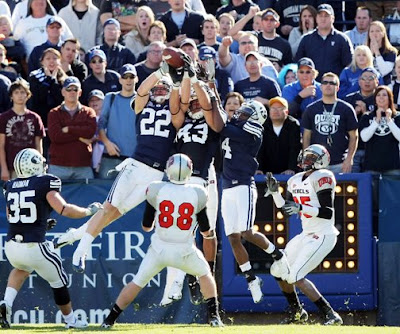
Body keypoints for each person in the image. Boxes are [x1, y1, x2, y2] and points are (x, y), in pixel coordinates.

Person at [52, 62, 178, 273]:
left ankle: (74, 235)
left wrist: (176, 80)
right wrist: (160, 72)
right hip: (136, 165)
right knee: (108, 209)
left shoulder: (174, 109)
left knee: (113, 215)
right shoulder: (140, 104)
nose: (160, 90)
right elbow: (142, 90)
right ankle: (80, 252)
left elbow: (177, 98)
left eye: (165, 87)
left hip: (155, 174)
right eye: (157, 87)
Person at [100, 153, 224, 328]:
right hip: (185, 250)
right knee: (205, 275)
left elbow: (146, 227)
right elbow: (205, 231)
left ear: (169, 170)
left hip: (159, 249)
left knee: (136, 283)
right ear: (189, 171)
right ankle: (214, 317)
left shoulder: (156, 189)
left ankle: (109, 320)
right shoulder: (198, 193)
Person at [0, 148, 102, 329]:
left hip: (11, 246)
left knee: (21, 269)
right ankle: (71, 321)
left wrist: (40, 223)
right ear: (34, 165)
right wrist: (88, 211)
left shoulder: (11, 186)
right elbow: (65, 209)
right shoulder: (45, 182)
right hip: (33, 247)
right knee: (59, 280)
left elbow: (12, 217)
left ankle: (6, 303)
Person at [160, 56, 226, 306]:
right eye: (194, 101)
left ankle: (206, 273)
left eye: (200, 100)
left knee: (208, 234)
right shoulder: (182, 119)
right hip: (181, 182)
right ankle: (180, 282)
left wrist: (201, 82)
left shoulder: (211, 117)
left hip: (204, 179)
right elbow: (177, 104)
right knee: (181, 233)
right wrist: (183, 78)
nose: (196, 103)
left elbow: (214, 115)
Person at [220, 99, 290, 304]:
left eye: (246, 112)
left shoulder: (254, 131)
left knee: (247, 232)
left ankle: (278, 255)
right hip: (227, 186)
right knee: (232, 237)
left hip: (243, 184)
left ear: (255, 118)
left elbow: (223, 128)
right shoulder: (236, 125)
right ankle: (251, 278)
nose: (240, 113)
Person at [265, 144, 343, 326]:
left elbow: (327, 212)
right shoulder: (295, 180)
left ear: (321, 161)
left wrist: (301, 207)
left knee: (294, 276)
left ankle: (330, 314)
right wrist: (276, 194)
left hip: (323, 235)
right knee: (277, 270)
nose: (307, 160)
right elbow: (286, 210)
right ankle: (297, 312)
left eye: (311, 158)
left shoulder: (324, 176)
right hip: (306, 234)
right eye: (306, 156)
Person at [302, 72, 359, 174]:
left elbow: (354, 136)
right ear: (320, 86)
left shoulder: (346, 109)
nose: (328, 85)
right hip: (317, 163)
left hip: (340, 163)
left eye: (332, 83)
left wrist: (349, 158)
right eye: (325, 82)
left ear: (337, 88)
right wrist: (308, 160)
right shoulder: (311, 109)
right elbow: (306, 136)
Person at [47, 76, 97, 180]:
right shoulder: (54, 113)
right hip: (58, 166)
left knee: (88, 195)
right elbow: (56, 137)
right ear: (63, 92)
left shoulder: (89, 112)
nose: (72, 92)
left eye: (75, 89)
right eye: (68, 89)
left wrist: (69, 129)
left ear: (80, 92)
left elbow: (90, 132)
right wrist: (80, 137)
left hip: (83, 166)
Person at [97, 64, 138, 179]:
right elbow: (101, 124)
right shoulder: (110, 97)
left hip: (133, 159)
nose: (128, 80)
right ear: (120, 79)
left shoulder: (142, 100)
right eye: (125, 77)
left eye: (131, 76)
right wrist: (107, 143)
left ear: (137, 78)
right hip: (110, 157)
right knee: (104, 195)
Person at [0, 79, 45, 181]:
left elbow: (39, 146)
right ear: (11, 96)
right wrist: (4, 168)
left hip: (31, 167)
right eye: (16, 92)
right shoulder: (4, 118)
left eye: (22, 92)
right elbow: (1, 145)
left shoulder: (35, 118)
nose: (20, 95)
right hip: (12, 167)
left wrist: (40, 166)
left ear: (27, 95)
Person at [295, 3, 353, 82]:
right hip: (312, 87)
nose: (323, 19)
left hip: (335, 86)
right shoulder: (306, 39)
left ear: (333, 18)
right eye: (320, 16)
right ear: (316, 18)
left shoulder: (342, 39)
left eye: (326, 16)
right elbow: (298, 63)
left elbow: (349, 65)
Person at [229, 7, 292, 72]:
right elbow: (231, 33)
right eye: (266, 19)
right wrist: (248, 16)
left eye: (272, 20)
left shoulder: (284, 44)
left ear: (277, 24)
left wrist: (281, 69)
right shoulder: (253, 37)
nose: (268, 22)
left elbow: (290, 67)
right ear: (261, 22)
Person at [344, 67, 379, 173]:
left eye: (371, 78)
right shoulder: (349, 99)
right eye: (364, 78)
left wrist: (365, 113)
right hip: (353, 148)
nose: (367, 81)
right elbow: (342, 123)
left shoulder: (381, 99)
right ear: (359, 81)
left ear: (377, 82)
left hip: (373, 149)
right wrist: (354, 113)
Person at [359, 85, 400, 174]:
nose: (381, 97)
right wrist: (377, 120)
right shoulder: (367, 116)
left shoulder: (397, 117)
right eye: (378, 95)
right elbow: (364, 138)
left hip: (393, 167)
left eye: (384, 95)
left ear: (390, 98)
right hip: (371, 167)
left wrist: (389, 120)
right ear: (375, 99)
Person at [256, 96, 301, 175]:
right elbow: (260, 148)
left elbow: (294, 148)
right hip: (267, 171)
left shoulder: (293, 125)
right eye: (273, 108)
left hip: (287, 171)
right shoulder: (263, 125)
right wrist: (259, 169)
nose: (275, 111)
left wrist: (291, 168)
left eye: (280, 108)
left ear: (286, 112)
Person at [27, 48, 67, 128]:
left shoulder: (64, 78)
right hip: (40, 118)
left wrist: (53, 80)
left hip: (59, 119)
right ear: (42, 62)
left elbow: (60, 99)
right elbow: (39, 98)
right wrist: (49, 79)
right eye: (48, 58)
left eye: (55, 58)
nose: (51, 61)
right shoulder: (35, 77)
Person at [366, 20, 398, 85]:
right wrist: (371, 54)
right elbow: (363, 69)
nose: (374, 34)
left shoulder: (391, 52)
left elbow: (384, 71)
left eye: (377, 31)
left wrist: (377, 53)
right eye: (372, 31)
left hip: (385, 85)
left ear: (383, 33)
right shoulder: (364, 51)